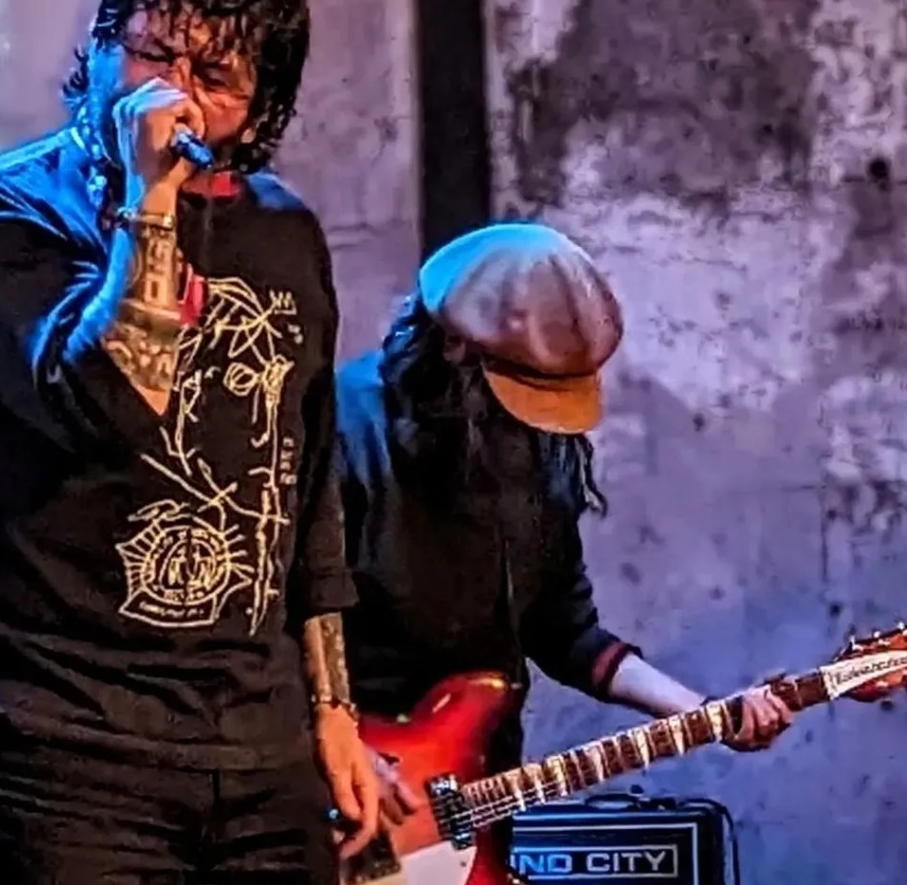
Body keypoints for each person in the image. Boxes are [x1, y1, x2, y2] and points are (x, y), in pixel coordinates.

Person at [0, 0, 377, 885]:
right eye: (151, 51)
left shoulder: (284, 231)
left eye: (213, 74)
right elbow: (118, 403)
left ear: (260, 107)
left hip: (259, 747)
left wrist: (333, 709)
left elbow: (306, 487)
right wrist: (150, 199)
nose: (171, 92)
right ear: (97, 48)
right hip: (68, 749)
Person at [335, 223, 793, 832]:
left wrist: (706, 713)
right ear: (453, 348)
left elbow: (565, 631)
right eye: (519, 394)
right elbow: (270, 633)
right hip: (343, 796)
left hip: (474, 795)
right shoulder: (341, 430)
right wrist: (332, 745)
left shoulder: (538, 453)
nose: (530, 424)